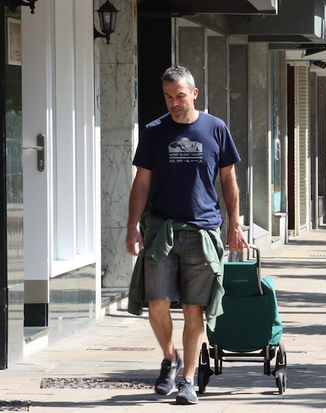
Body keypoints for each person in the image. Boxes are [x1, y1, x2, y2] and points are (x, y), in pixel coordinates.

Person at [126, 66, 248, 405]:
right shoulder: (154, 132)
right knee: (156, 304)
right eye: (168, 97)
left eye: (180, 96)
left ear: (194, 93)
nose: (174, 103)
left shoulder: (216, 129)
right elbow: (142, 183)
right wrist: (131, 226)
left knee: (195, 309)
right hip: (161, 229)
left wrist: (234, 224)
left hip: (203, 231)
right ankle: (170, 358)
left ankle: (189, 380)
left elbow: (228, 181)